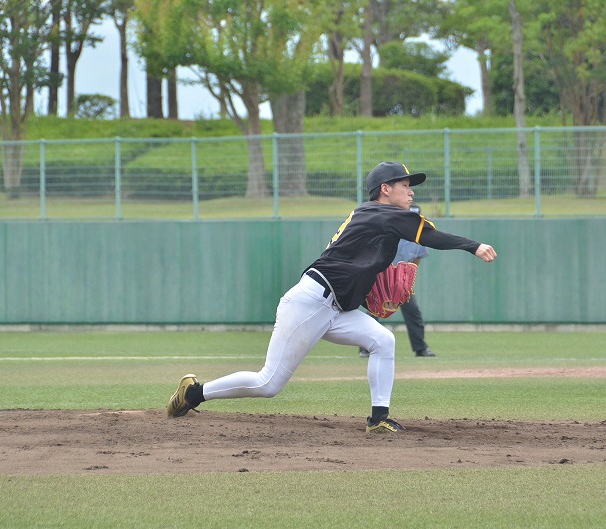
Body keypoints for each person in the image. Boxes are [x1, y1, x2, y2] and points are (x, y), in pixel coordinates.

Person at [167, 161, 498, 433]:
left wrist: (367, 295)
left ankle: (379, 419)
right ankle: (194, 392)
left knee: (383, 340)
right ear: (385, 189)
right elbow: (431, 236)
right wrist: (473, 246)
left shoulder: (375, 218)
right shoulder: (383, 214)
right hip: (311, 301)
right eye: (405, 185)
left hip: (335, 307)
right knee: (268, 383)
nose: (411, 191)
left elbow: (355, 266)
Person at [359, 212, 436, 358]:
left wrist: (406, 280)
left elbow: (416, 260)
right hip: (381, 279)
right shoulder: (389, 230)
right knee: (374, 311)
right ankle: (365, 348)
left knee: (413, 311)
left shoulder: (418, 239)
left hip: (401, 282)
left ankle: (421, 348)